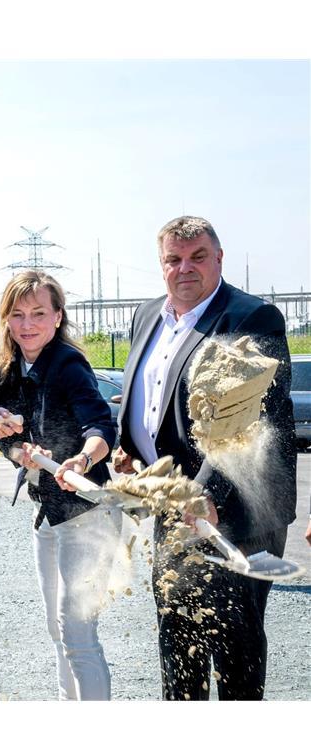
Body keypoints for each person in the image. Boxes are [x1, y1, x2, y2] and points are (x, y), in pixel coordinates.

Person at [113, 215, 297, 701]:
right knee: (178, 646)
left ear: (219, 258)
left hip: (237, 511)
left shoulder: (250, 319)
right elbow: (149, 396)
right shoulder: (147, 315)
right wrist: (129, 448)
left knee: (233, 651)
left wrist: (206, 492)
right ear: (161, 264)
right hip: (175, 509)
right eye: (173, 259)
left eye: (197, 257)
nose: (184, 269)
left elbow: (248, 419)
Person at [0, 271, 120, 700]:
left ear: (58, 317)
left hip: (89, 514)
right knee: (56, 630)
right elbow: (4, 436)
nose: (28, 324)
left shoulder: (68, 364)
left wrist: (81, 458)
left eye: (39, 313)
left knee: (78, 634)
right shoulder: (9, 368)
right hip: (47, 515)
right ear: (7, 320)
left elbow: (100, 424)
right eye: (18, 314)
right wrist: (17, 452)